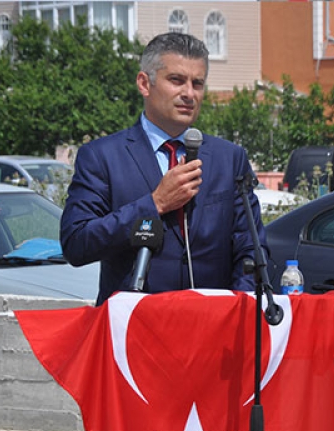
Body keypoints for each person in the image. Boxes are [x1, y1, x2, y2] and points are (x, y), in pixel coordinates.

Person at [60, 32, 267, 305]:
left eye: (198, 83)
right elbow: (77, 243)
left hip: (214, 328)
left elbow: (251, 248)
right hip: (136, 329)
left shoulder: (230, 158)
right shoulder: (101, 157)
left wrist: (237, 305)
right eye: (177, 80)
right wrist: (154, 203)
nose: (189, 94)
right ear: (145, 83)